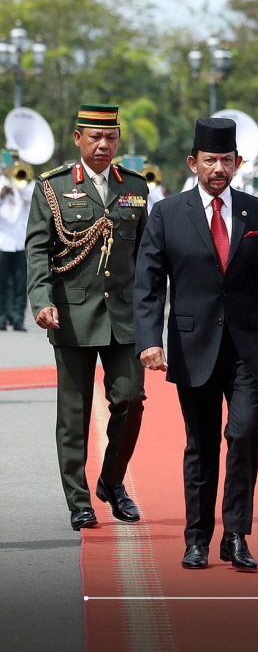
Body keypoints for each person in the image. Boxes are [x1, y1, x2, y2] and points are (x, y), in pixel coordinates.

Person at [133, 117, 258, 571]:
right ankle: (197, 538)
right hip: (192, 344)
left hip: (249, 349)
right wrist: (149, 340)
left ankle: (236, 534)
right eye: (209, 160)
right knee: (200, 444)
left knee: (244, 435)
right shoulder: (167, 213)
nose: (218, 168)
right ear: (193, 163)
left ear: (238, 163)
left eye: (226, 160)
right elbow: (148, 284)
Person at [25, 103, 147, 531]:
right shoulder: (53, 187)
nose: (103, 145)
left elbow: (146, 255)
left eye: (111, 137)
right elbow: (38, 250)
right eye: (95, 137)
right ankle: (78, 500)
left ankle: (112, 482)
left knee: (130, 400)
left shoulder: (135, 187)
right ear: (78, 138)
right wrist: (41, 300)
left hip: (125, 317)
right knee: (73, 414)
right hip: (72, 315)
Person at [0, 158, 34, 330]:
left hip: (20, 241)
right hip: (2, 241)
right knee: (2, 282)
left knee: (21, 283)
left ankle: (18, 318)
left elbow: (33, 201)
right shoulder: (1, 184)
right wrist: (3, 192)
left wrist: (19, 188)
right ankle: (1, 317)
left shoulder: (28, 183)